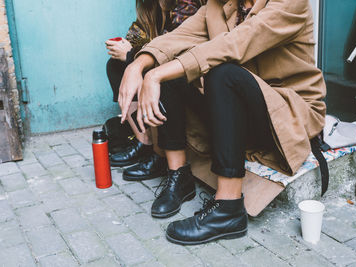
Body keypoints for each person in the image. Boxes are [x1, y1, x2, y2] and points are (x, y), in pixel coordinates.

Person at [118, 0, 327, 245]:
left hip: (288, 111)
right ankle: (179, 175)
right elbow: (176, 38)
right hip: (242, 108)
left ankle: (228, 207)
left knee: (222, 72)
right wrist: (138, 65)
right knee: (170, 65)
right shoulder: (219, 6)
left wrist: (154, 75)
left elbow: (236, 44)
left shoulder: (292, 3)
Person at [105, 0, 205, 181]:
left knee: (152, 71)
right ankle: (144, 141)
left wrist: (130, 54)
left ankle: (161, 155)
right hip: (158, 63)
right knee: (114, 65)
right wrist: (124, 50)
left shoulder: (186, 5)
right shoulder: (149, 7)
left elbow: (175, 48)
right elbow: (135, 37)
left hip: (186, 73)